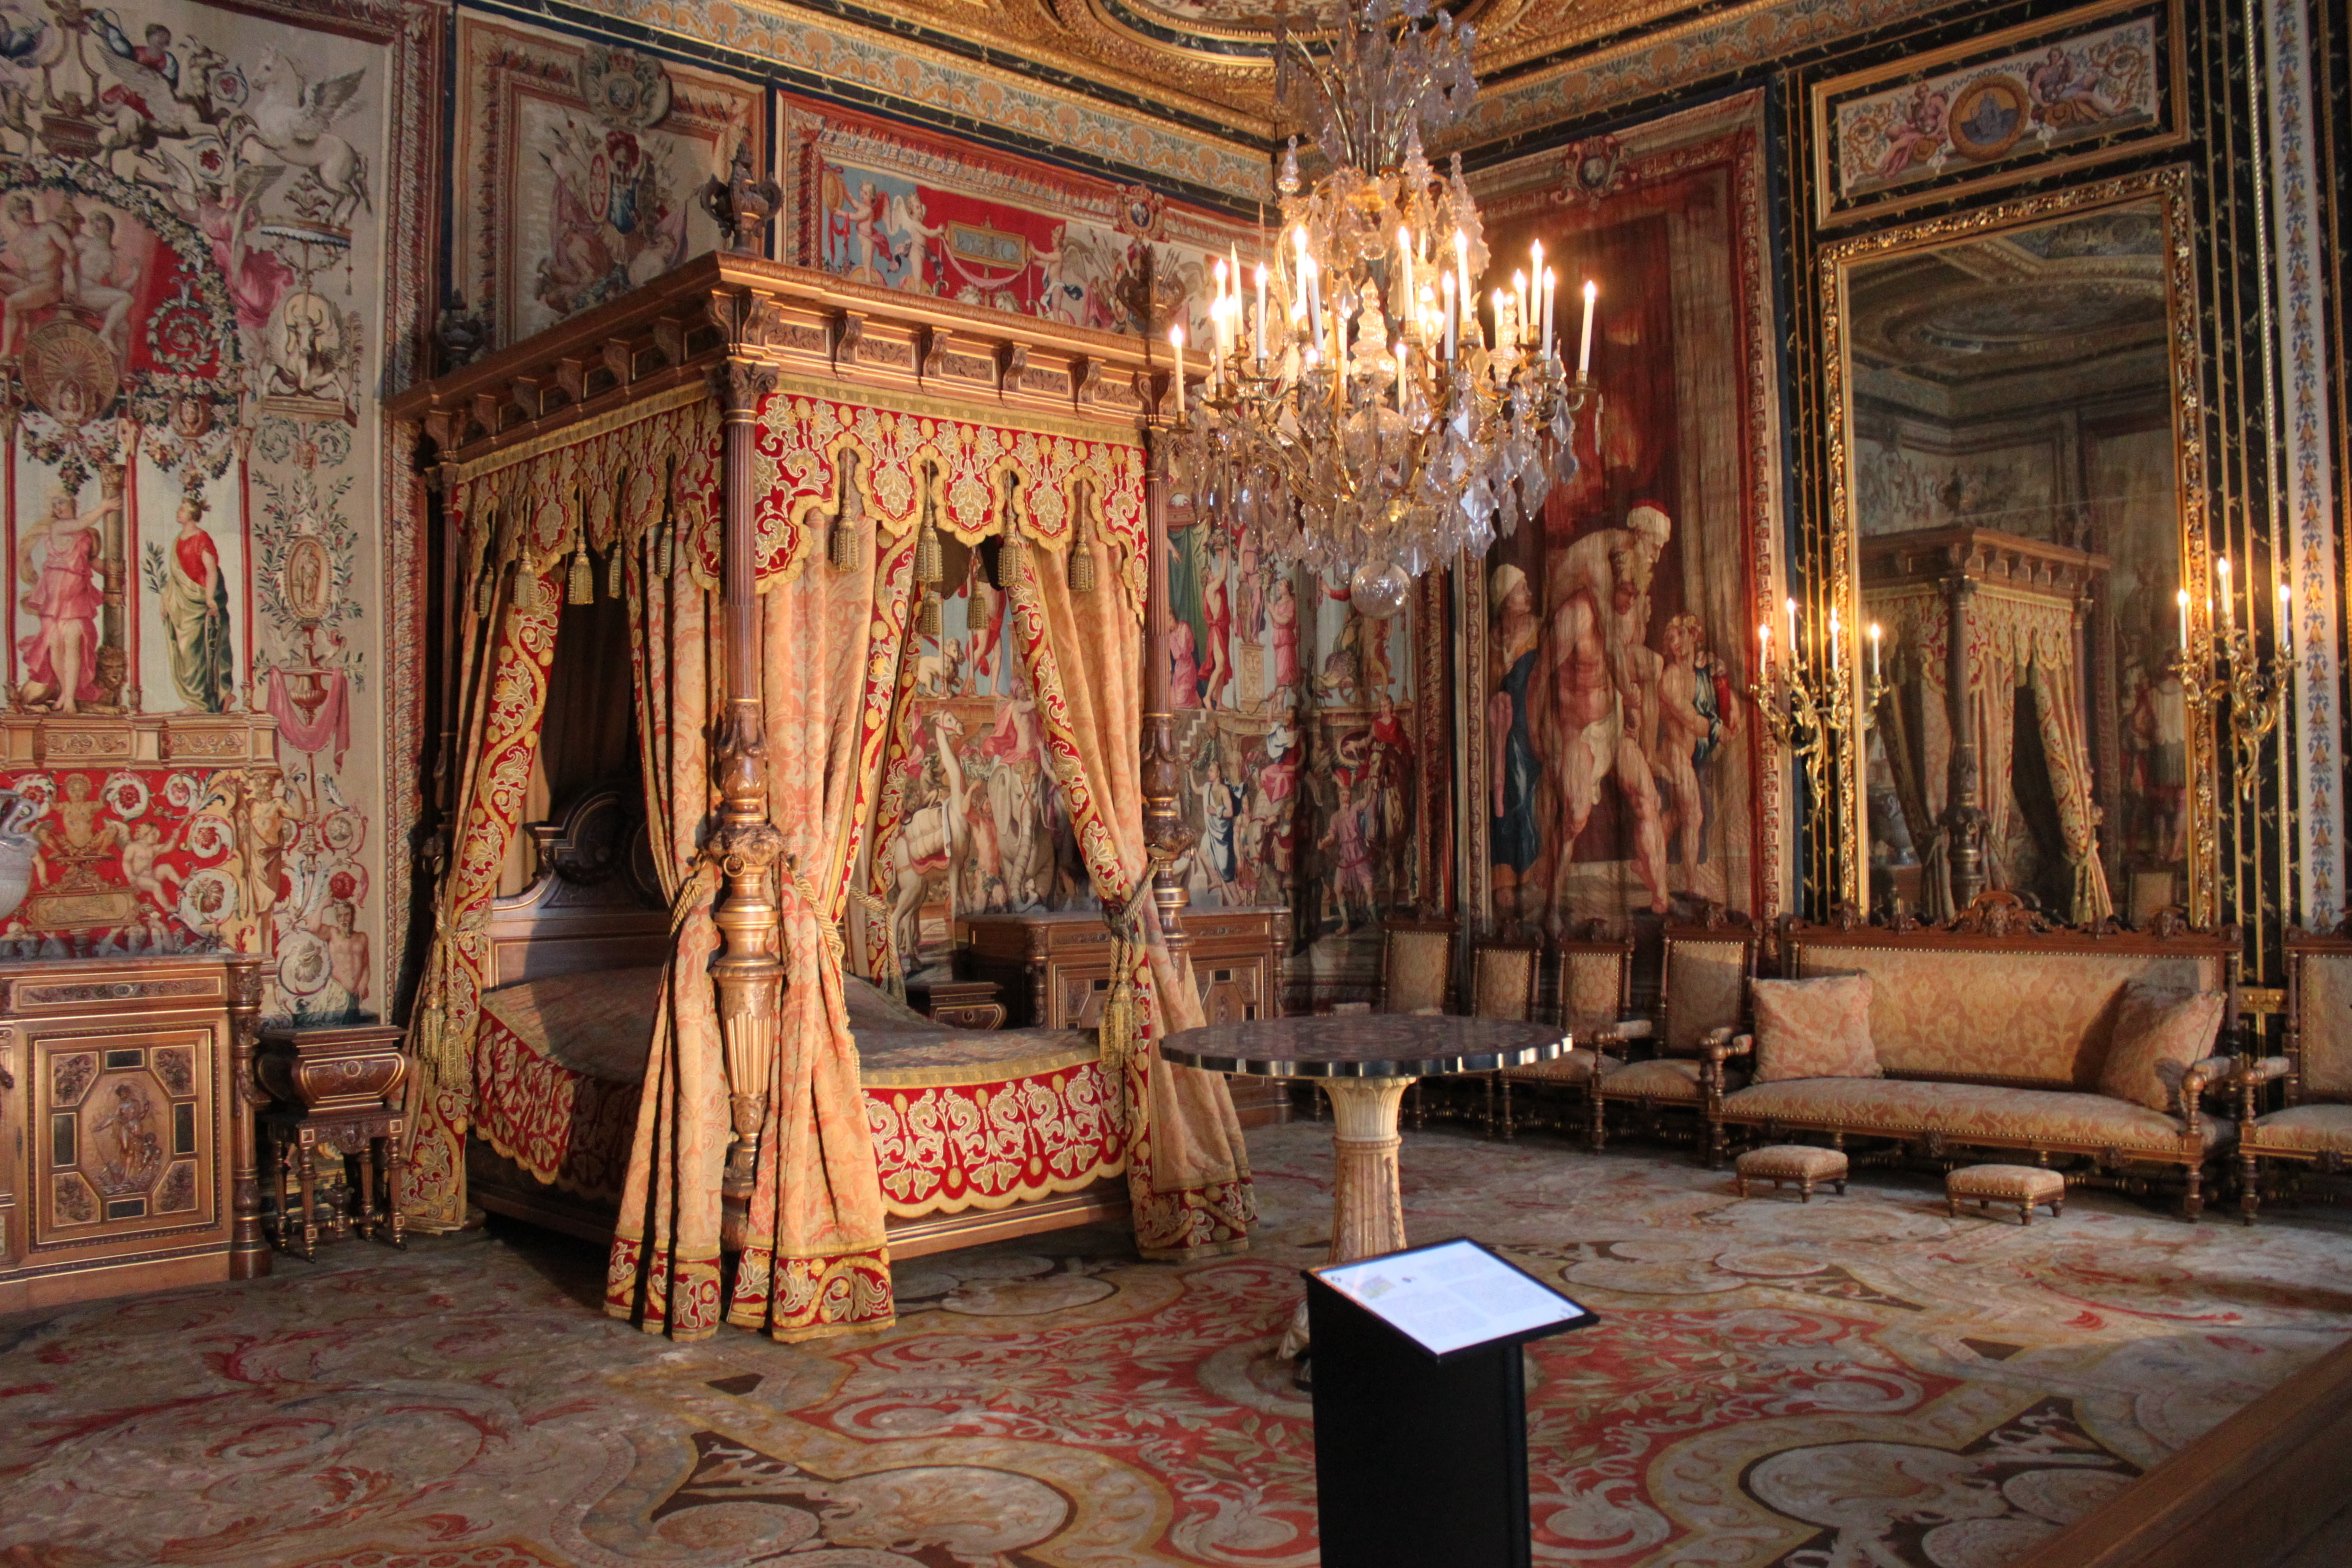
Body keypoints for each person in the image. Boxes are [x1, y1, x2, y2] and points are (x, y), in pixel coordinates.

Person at [16, 485, 114, 713]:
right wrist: (103, 507)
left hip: (75, 598)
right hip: (53, 601)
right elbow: (78, 523)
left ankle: (69, 697)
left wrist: (115, 572)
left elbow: (93, 562)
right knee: (56, 646)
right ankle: (63, 693)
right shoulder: (59, 528)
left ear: (73, 503)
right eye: (54, 504)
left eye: (61, 502)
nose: (58, 508)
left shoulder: (87, 535)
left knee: (72, 644)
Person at [1488, 562, 1543, 919]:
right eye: (1521, 589)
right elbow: (1488, 683)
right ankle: (1505, 875)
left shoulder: (1538, 630)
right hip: (1506, 728)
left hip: (1534, 722)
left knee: (1530, 793)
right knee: (1508, 794)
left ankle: (1530, 872)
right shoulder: (1493, 637)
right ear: (1506, 599)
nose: (1528, 594)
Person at [161, 493, 234, 712]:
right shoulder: (178, 538)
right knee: (185, 651)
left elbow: (211, 571)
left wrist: (210, 598)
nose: (178, 512)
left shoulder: (202, 538)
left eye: (182, 510)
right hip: (182, 601)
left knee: (196, 651)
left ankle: (202, 702)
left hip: (200, 599)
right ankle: (197, 700)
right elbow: (175, 576)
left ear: (191, 515)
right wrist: (165, 599)